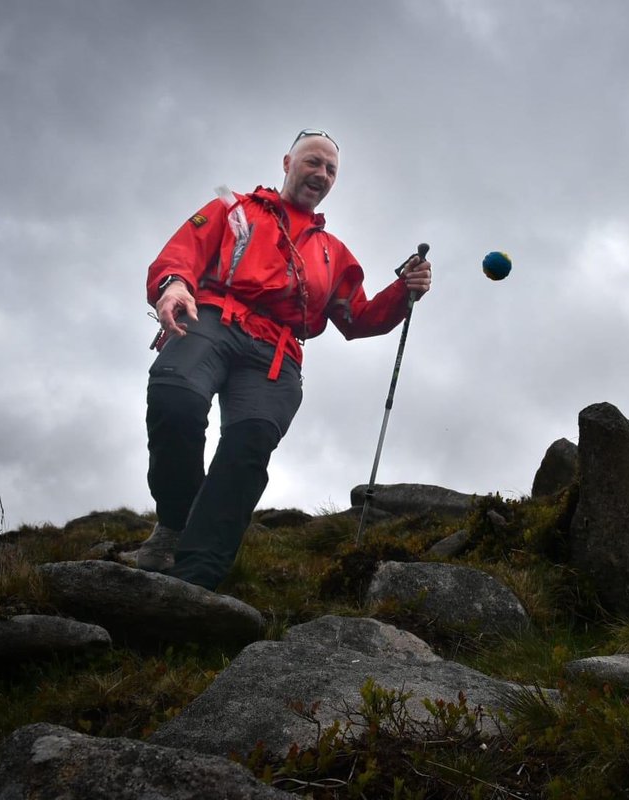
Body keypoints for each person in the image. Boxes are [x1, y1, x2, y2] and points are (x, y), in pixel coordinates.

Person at [138, 128, 431, 590]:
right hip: (211, 318)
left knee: (248, 445)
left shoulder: (334, 255)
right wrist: (173, 284)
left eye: (331, 169)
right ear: (286, 163)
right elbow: (183, 252)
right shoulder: (232, 209)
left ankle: (197, 580)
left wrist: (403, 290)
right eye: (313, 162)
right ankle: (175, 524)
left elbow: (358, 317)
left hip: (276, 353)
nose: (322, 173)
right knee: (175, 400)